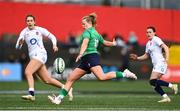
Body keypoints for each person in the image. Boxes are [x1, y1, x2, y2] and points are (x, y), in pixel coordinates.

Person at [48, 13, 137, 105]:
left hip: (90, 57)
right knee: (70, 78)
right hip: (86, 59)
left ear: (89, 23)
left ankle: (125, 73)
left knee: (102, 77)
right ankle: (59, 99)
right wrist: (113, 44)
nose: (82, 25)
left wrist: (81, 53)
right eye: (82, 24)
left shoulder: (87, 32)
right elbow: (104, 42)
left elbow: (84, 43)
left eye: (84, 23)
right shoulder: (96, 33)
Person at [15, 14, 73, 101]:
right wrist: (19, 44)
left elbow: (52, 36)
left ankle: (31, 94)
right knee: (47, 80)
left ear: (34, 22)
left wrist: (54, 45)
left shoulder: (40, 29)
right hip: (34, 57)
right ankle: (66, 88)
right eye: (28, 21)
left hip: (40, 54)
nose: (29, 22)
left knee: (28, 72)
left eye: (31, 21)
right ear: (26, 22)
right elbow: (17, 47)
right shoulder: (24, 32)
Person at [130, 26, 178, 103]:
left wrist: (167, 59)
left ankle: (172, 86)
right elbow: (146, 55)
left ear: (154, 33)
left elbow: (165, 47)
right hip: (156, 65)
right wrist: (137, 58)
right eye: (147, 32)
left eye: (150, 32)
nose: (148, 34)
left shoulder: (156, 39)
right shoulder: (148, 44)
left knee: (152, 81)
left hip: (160, 63)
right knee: (153, 83)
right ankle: (166, 97)